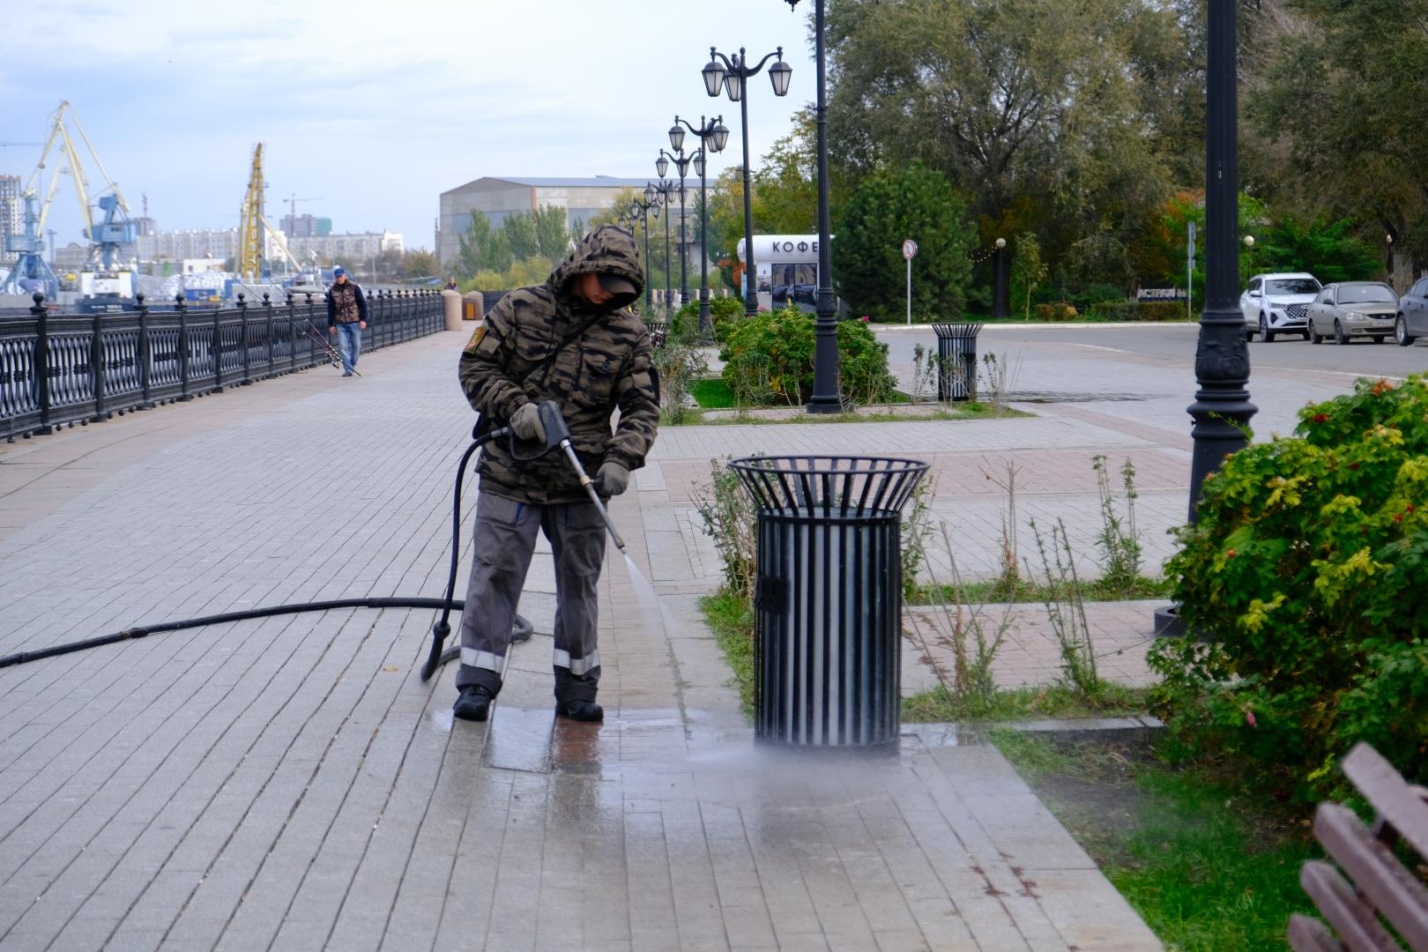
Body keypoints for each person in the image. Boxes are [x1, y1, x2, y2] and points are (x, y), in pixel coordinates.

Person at [452, 224, 658, 724]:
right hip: (510, 473)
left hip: (580, 482)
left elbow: (641, 407)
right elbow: (475, 368)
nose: (612, 297)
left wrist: (621, 457)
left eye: (623, 291)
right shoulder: (521, 308)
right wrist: (516, 408)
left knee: (579, 586)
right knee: (494, 577)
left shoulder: (629, 334)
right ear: (585, 267)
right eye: (607, 284)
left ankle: (577, 688)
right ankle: (477, 683)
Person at [326, 266, 368, 376]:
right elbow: (331, 308)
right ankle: (348, 369)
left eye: (340, 276)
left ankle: (352, 363)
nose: (339, 278)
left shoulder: (354, 288)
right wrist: (331, 324)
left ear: (345, 276)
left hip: (354, 321)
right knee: (343, 347)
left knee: (357, 346)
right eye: (337, 277)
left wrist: (363, 319)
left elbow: (362, 304)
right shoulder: (332, 290)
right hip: (340, 323)